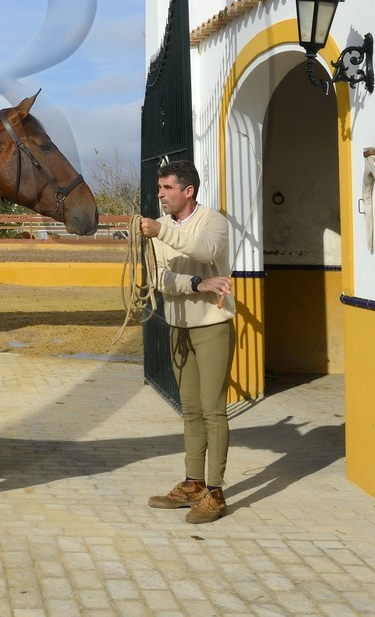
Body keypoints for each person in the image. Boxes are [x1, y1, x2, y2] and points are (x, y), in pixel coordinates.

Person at [138, 159, 235, 524]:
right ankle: (193, 484)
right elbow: (161, 280)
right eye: (160, 188)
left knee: (213, 409)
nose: (160, 195)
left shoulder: (214, 222)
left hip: (212, 323)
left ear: (188, 191)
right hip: (178, 324)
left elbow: (206, 251)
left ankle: (216, 492)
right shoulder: (159, 229)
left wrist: (162, 235)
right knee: (190, 409)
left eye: (167, 188)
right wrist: (197, 284)